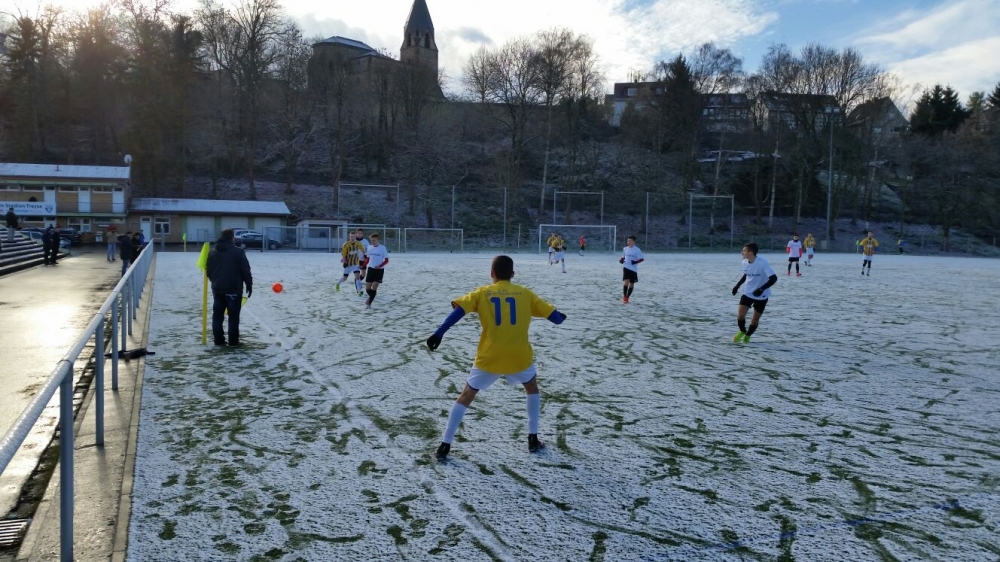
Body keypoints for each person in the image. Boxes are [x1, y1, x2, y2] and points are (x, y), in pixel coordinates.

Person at [426, 255, 567, 460]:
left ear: (491, 273)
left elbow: (459, 311)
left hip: (489, 356)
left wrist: (439, 333)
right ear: (512, 274)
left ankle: (444, 445)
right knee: (531, 387)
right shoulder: (525, 293)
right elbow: (556, 319)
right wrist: (560, 315)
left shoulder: (482, 293)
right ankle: (533, 439)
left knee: (467, 395)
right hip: (519, 356)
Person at [206, 229, 253, 346]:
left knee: (217, 316)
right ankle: (233, 341)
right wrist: (249, 284)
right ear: (232, 237)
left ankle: (218, 340)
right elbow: (245, 270)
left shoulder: (212, 252)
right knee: (233, 317)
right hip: (233, 289)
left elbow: (208, 270)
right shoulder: (238, 252)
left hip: (217, 289)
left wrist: (215, 282)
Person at [731, 242, 777, 344]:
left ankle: (748, 335)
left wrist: (761, 289)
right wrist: (737, 286)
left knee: (754, 321)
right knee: (740, 316)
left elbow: (774, 278)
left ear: (750, 252)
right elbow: (747, 274)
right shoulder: (744, 262)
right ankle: (742, 331)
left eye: (744, 251)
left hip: (762, 296)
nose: (742, 252)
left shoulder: (762, 263)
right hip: (748, 293)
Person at [363, 233, 389, 310]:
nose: (372, 242)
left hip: (379, 270)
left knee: (374, 287)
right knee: (368, 288)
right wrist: (363, 265)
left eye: (374, 240)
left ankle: (369, 304)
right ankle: (371, 297)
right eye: (371, 240)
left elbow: (386, 260)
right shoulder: (369, 247)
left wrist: (379, 266)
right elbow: (368, 259)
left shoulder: (382, 248)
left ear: (378, 240)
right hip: (371, 269)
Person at [619, 235, 644, 304]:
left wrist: (635, 262)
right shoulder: (625, 249)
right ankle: (625, 297)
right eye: (627, 241)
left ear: (634, 242)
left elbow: (641, 259)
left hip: (633, 269)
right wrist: (621, 260)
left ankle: (627, 297)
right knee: (626, 282)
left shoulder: (637, 250)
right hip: (626, 267)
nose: (628, 242)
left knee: (631, 283)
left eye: (630, 241)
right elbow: (623, 256)